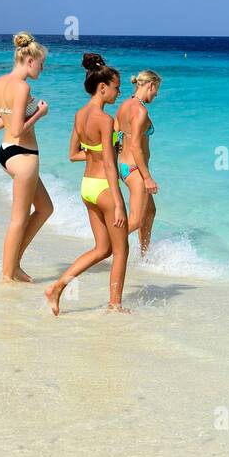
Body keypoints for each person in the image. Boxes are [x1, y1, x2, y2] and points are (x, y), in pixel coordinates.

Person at [44, 54, 128, 315]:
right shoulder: (105, 119)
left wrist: (98, 153)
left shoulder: (80, 115)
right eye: (116, 87)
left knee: (102, 248)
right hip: (104, 187)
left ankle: (57, 287)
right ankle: (115, 305)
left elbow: (73, 154)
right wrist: (117, 204)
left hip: (87, 187)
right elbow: (111, 167)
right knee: (121, 250)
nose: (118, 91)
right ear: (102, 87)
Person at [0, 32, 52, 282]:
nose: (42, 69)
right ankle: (7, 275)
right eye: (41, 64)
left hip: (5, 153)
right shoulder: (22, 86)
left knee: (45, 208)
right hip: (23, 156)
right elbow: (16, 129)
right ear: (30, 60)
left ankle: (14, 264)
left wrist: (13, 114)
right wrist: (39, 114)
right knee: (19, 219)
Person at [115, 70, 161, 257]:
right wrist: (147, 177)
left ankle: (144, 256)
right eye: (155, 91)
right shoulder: (141, 111)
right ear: (150, 85)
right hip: (136, 171)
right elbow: (135, 145)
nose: (155, 95)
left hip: (124, 167)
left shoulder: (124, 105)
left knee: (150, 211)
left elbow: (116, 133)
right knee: (135, 220)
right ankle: (104, 248)